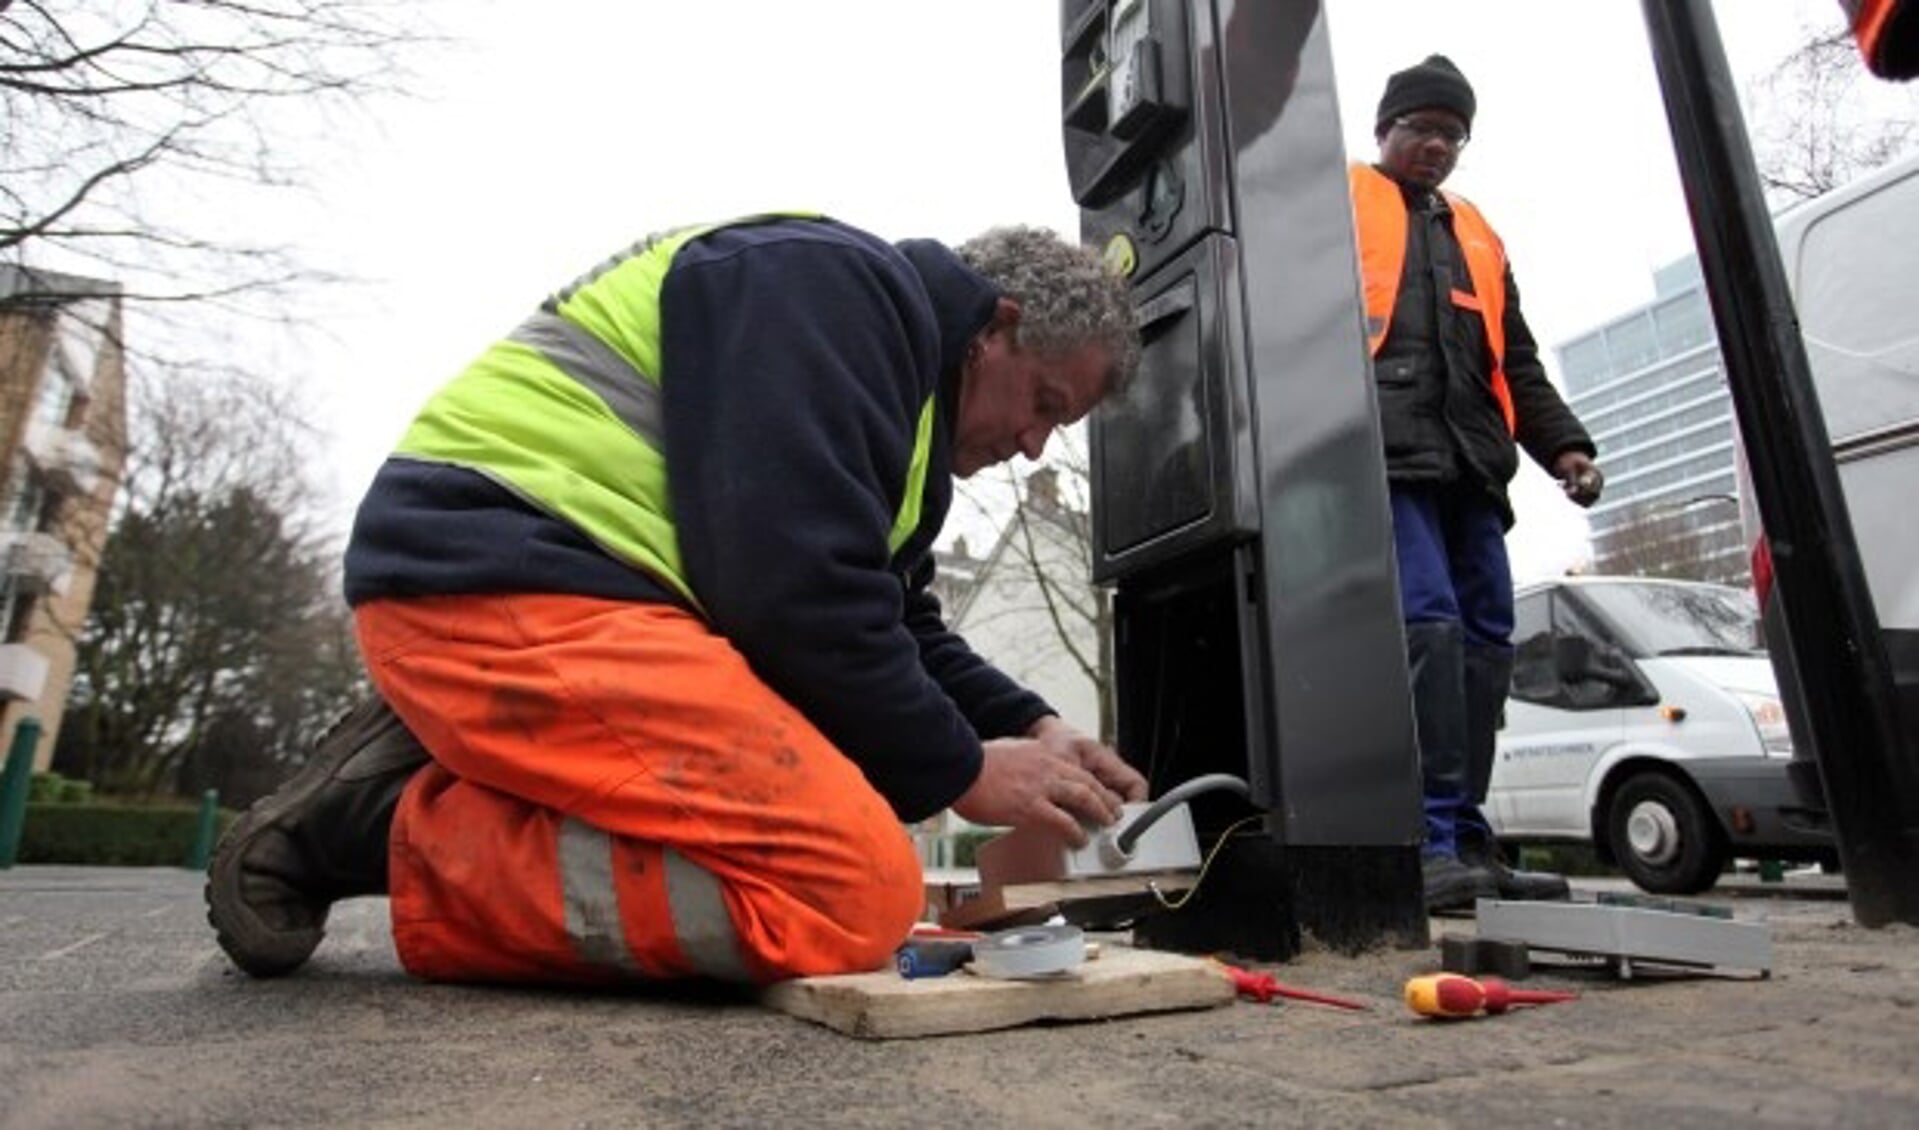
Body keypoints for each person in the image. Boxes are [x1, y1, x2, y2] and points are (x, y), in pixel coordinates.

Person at [206, 215, 1148, 984]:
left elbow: (891, 620)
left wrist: (1031, 725)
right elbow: (793, 593)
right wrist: (961, 770)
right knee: (846, 893)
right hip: (498, 580)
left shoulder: (893, 413)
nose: (1034, 445)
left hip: (564, 595)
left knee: (840, 831)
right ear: (996, 326)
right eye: (1045, 404)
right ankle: (375, 827)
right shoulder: (834, 290)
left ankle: (440, 760)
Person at [1349, 57, 1605, 912]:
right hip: (1383, 452)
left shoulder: (1477, 234)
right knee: (1428, 624)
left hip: (1470, 462)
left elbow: (1516, 359)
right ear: (1383, 130)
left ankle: (1464, 836)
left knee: (1488, 638)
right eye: (1420, 128)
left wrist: (1562, 446)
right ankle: (1421, 839)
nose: (1435, 145)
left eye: (1451, 134)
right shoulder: (1339, 201)